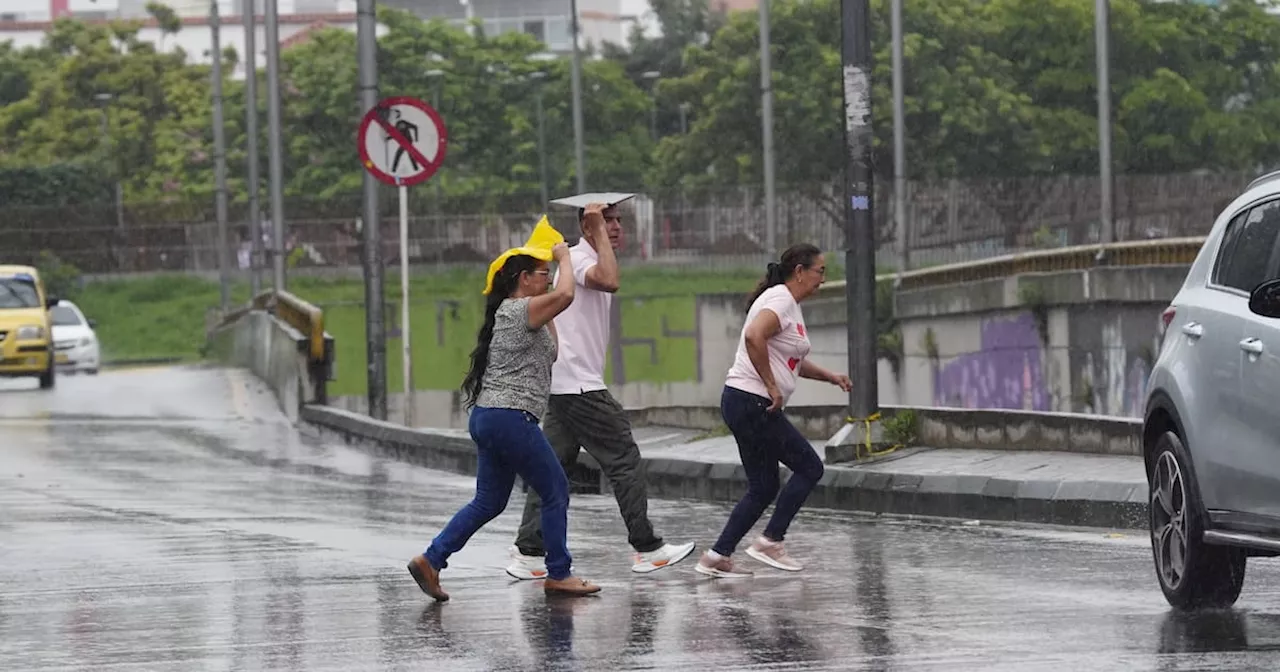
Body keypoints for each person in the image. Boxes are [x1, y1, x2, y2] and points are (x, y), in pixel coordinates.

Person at [408, 222, 601, 601]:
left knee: (489, 501)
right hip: (511, 417)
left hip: (492, 418)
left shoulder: (524, 316)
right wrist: (564, 258)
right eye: (542, 274)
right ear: (524, 279)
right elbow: (565, 295)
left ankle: (431, 560)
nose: (548, 279)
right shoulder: (517, 310)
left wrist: (554, 295)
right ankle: (559, 573)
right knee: (555, 488)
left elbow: (554, 345)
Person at [505, 199, 697, 580]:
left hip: (564, 384)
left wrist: (598, 232)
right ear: (586, 225)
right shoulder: (577, 260)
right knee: (624, 459)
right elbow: (610, 280)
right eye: (607, 221)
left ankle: (528, 552)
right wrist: (594, 232)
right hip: (579, 386)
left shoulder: (577, 260)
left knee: (552, 470)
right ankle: (647, 547)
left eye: (619, 222)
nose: (616, 228)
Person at [695, 244, 852, 578]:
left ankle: (716, 556)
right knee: (810, 466)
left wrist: (830, 377)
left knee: (764, 486)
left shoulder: (787, 303)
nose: (823, 279)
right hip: (752, 401)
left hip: (743, 400)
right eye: (820, 271)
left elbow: (790, 359)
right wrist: (771, 385)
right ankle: (771, 541)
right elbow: (754, 336)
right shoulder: (780, 299)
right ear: (799, 271)